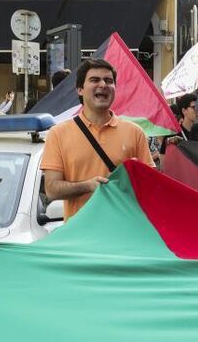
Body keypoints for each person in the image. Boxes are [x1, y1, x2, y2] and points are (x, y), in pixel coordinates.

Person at [40, 58, 154, 221]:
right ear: (80, 89)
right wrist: (87, 186)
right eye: (94, 80)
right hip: (80, 232)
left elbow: (151, 188)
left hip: (124, 230)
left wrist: (133, 177)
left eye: (109, 81)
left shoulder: (135, 133)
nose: (103, 84)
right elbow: (52, 189)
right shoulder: (58, 133)